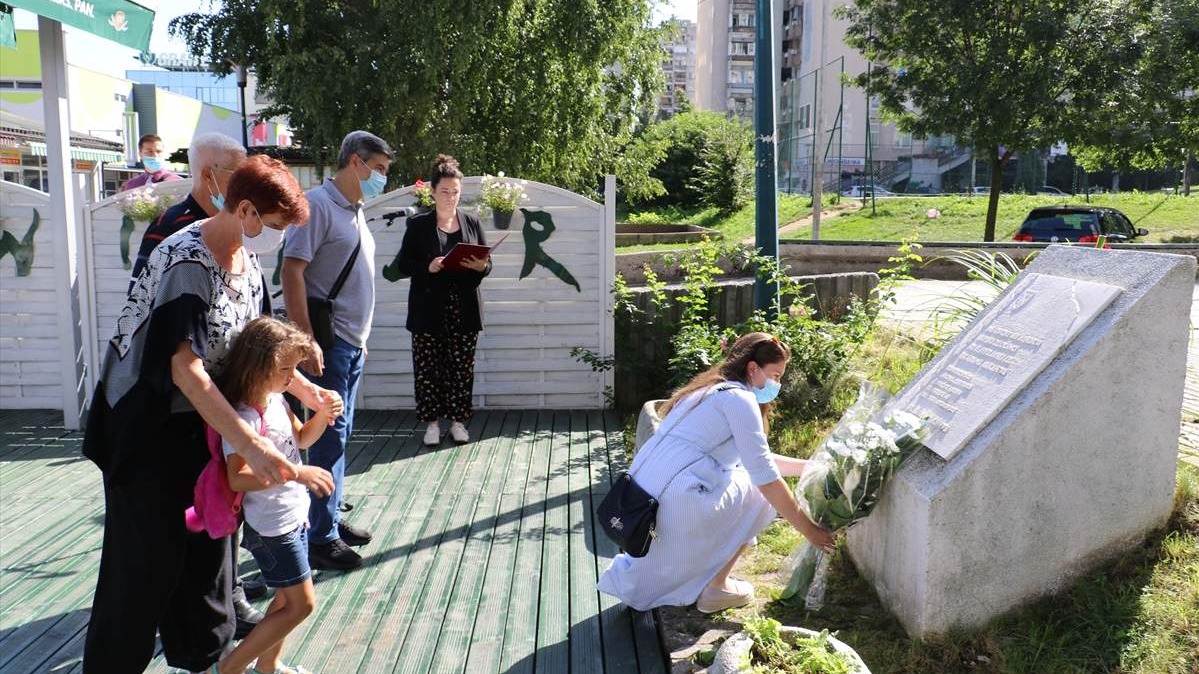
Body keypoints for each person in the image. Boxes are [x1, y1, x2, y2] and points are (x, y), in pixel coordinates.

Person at [81, 155, 341, 674]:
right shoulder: (188, 262)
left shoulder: (248, 261)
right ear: (245, 210)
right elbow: (186, 371)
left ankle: (204, 662)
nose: (277, 239)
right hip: (147, 433)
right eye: (274, 227)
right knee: (143, 569)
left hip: (205, 429)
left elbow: (260, 351)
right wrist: (253, 444)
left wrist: (307, 390)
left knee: (209, 563)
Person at [126, 132, 265, 637]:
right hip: (178, 413)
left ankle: (226, 599)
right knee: (193, 522)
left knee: (224, 505)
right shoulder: (177, 232)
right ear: (210, 176)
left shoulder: (236, 234)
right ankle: (205, 616)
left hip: (220, 406)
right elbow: (153, 323)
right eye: (236, 172)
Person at [596, 332, 836, 614]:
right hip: (674, 502)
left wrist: (812, 467)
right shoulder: (741, 400)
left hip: (640, 500)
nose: (777, 384)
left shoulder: (707, 392)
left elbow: (756, 459)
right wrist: (810, 531)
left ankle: (704, 580)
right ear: (752, 369)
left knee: (747, 484)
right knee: (759, 495)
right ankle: (717, 587)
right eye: (775, 375)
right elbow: (765, 476)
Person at [281, 130, 392, 571]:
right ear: (356, 163)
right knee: (327, 436)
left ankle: (326, 515)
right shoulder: (318, 207)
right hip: (328, 344)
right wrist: (305, 341)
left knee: (338, 436)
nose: (381, 178)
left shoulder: (354, 210)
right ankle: (320, 538)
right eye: (378, 170)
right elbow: (292, 272)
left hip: (350, 343)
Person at [209, 316, 335, 674]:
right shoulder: (242, 417)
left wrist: (323, 415)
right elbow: (238, 478)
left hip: (293, 517)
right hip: (271, 527)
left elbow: (301, 440)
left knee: (284, 598)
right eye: (285, 368)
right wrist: (296, 474)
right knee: (301, 605)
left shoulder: (277, 400)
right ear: (257, 366)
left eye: (294, 368)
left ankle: (269, 665)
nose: (291, 376)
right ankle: (230, 668)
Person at [396, 154, 492, 447]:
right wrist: (428, 265)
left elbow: (488, 263)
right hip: (428, 310)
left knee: (461, 369)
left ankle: (458, 422)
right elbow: (403, 265)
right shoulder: (418, 225)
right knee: (428, 370)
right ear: (433, 192)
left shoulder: (472, 222)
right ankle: (433, 424)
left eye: (456, 192)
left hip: (463, 310)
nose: (451, 197)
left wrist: (481, 266)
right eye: (445, 191)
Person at [130, 132, 247, 283]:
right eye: (237, 175)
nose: (245, 184)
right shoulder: (167, 227)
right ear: (208, 176)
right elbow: (139, 296)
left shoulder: (240, 223)